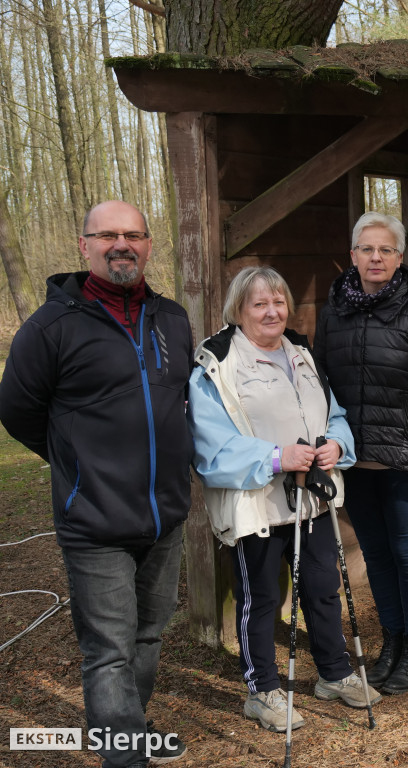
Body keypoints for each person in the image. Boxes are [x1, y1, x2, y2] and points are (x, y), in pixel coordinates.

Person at [0, 201, 190, 767]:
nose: (121, 244)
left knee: (149, 637)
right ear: (84, 246)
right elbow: (17, 411)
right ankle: (124, 757)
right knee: (108, 650)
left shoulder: (172, 318)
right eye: (107, 235)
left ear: (149, 245)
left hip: (165, 516)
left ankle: (133, 731)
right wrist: (78, 465)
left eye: (133, 234)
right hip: (95, 521)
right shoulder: (50, 327)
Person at [188, 266, 380, 732]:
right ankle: (263, 691)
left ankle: (333, 673)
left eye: (278, 302)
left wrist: (336, 444)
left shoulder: (301, 352)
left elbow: (332, 413)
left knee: (321, 587)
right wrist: (278, 458)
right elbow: (210, 447)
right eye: (259, 304)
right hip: (256, 504)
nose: (272, 311)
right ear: (238, 309)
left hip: (311, 501)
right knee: (261, 596)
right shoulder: (218, 364)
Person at [315, 212, 408, 695]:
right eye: (367, 249)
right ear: (352, 255)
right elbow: (320, 386)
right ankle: (391, 642)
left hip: (406, 462)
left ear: (399, 258)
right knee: (375, 554)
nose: (376, 258)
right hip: (355, 461)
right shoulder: (332, 311)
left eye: (386, 250)